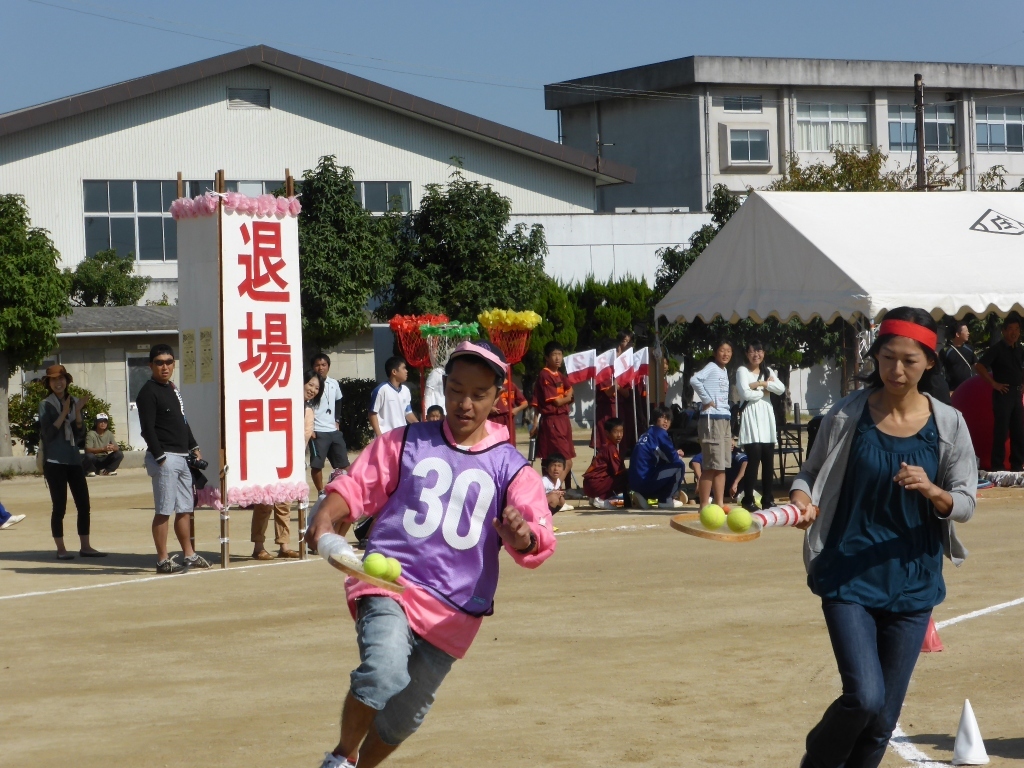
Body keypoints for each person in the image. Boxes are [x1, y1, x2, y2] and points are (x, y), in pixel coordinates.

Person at [305, 339, 555, 768]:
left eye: (478, 394)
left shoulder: (511, 467)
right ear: (444, 387)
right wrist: (327, 514)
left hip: (456, 612)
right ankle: (340, 757)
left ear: (498, 397)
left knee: (405, 717)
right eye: (455, 390)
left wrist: (523, 537)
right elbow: (357, 484)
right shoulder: (406, 441)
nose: (464, 404)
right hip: (389, 583)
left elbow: (537, 535)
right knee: (383, 671)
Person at [791, 307, 976, 768]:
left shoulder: (949, 424)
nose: (896, 370)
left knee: (882, 722)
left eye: (909, 361)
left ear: (929, 362)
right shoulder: (846, 414)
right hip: (848, 574)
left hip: (913, 583)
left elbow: (965, 502)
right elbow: (810, 472)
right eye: (888, 357)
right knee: (865, 698)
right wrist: (801, 498)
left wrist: (933, 490)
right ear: (876, 356)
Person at [137, 344, 211, 574]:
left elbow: (182, 421)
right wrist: (160, 457)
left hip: (182, 456)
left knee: (185, 508)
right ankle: (162, 560)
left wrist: (193, 446)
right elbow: (147, 429)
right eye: (159, 363)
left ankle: (189, 554)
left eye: (169, 362)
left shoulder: (172, 388)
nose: (165, 367)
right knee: (164, 509)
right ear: (151, 365)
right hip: (166, 457)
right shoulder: (147, 392)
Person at [38, 364, 104, 560]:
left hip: (74, 460)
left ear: (66, 381)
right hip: (54, 461)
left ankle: (86, 546)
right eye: (53, 379)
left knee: (84, 504)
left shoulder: (74, 401)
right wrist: (64, 412)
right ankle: (61, 549)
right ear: (49, 383)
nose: (58, 382)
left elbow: (80, 435)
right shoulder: (45, 404)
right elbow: (48, 434)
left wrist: (77, 413)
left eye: (61, 378)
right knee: (59, 506)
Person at [734, 341, 785, 511]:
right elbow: (745, 393)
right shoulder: (742, 371)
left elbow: (781, 388)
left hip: (766, 417)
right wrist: (765, 390)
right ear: (746, 354)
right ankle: (748, 499)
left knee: (768, 460)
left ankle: (768, 499)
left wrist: (761, 384)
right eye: (752, 351)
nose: (756, 354)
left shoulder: (768, 370)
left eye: (759, 351)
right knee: (754, 459)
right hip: (751, 416)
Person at [974, 314, 1024, 471]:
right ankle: (997, 466)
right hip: (1003, 394)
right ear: (1004, 331)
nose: (1014, 332)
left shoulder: (1019, 349)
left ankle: (1017, 465)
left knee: (1018, 431)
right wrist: (994, 384)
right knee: (1001, 431)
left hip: (1017, 394)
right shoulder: (997, 349)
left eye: (1017, 329)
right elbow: (979, 366)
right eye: (1010, 329)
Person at [690, 339, 734, 509]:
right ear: (715, 353)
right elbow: (695, 380)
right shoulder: (711, 366)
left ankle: (719, 503)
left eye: (729, 351)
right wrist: (706, 400)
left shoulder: (724, 370)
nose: (726, 354)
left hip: (724, 417)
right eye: (722, 350)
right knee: (710, 465)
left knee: (722, 465)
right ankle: (703, 505)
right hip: (711, 419)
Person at [531, 341, 576, 481]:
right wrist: (567, 398)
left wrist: (567, 397)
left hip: (563, 419)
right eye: (554, 354)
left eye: (560, 354)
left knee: (559, 457)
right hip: (553, 420)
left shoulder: (560, 375)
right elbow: (556, 401)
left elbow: (570, 389)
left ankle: (559, 487)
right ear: (547, 357)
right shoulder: (545, 375)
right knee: (564, 460)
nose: (558, 358)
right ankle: (553, 488)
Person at [628, 406, 686, 509]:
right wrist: (677, 455)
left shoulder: (647, 433)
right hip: (645, 480)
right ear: (655, 419)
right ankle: (666, 499)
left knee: (664, 464)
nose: (666, 421)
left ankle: (645, 496)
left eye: (668, 419)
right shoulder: (660, 433)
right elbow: (673, 458)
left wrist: (674, 453)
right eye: (662, 417)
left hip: (635, 482)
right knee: (679, 465)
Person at [310, 353, 349, 495]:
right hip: (317, 430)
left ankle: (343, 491)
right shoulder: (310, 385)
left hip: (333, 430)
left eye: (323, 365)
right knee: (317, 465)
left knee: (344, 464)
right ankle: (321, 492)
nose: (320, 368)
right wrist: (309, 428)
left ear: (328, 366)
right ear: (313, 367)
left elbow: (338, 401)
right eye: (317, 365)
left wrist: (337, 420)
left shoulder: (334, 383)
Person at [584, 418, 629, 509]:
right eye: (615, 432)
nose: (619, 435)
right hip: (596, 485)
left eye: (621, 431)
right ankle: (601, 499)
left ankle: (595, 497)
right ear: (607, 433)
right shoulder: (610, 448)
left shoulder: (606, 446)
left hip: (589, 485)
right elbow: (619, 471)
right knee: (625, 477)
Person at [369, 356, 418, 436]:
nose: (406, 371)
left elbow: (408, 413)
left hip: (401, 436)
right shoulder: (381, 390)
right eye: (403, 368)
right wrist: (379, 436)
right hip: (386, 437)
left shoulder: (406, 390)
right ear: (394, 372)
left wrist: (420, 426)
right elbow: (372, 414)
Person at [941, 320, 977, 394]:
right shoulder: (946, 351)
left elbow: (977, 366)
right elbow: (938, 370)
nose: (968, 333)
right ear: (957, 334)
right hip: (952, 391)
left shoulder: (969, 349)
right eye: (966, 331)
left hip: (969, 389)